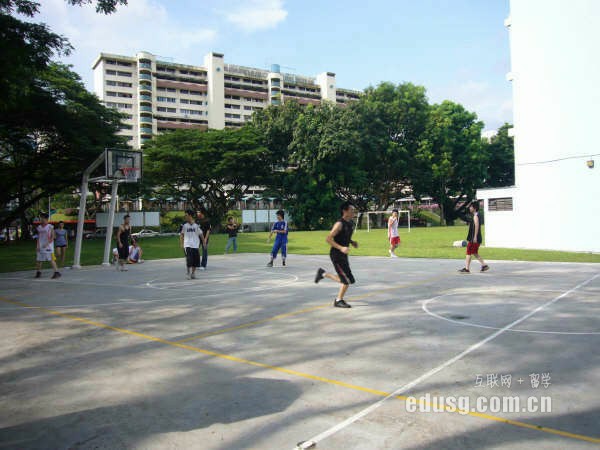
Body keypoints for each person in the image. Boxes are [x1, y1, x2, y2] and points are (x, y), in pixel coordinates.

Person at [314, 202, 358, 308]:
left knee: (349, 280)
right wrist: (341, 248)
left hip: (343, 255)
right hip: (336, 255)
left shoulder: (350, 223)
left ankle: (323, 274)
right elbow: (328, 239)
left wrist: (351, 242)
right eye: (352, 210)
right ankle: (338, 300)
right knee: (346, 280)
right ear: (345, 211)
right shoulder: (339, 224)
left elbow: (344, 236)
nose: (353, 212)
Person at [459, 201, 490, 273]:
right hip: (475, 238)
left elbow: (476, 226)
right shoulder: (476, 215)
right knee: (474, 252)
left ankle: (467, 269)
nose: (469, 208)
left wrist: (475, 237)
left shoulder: (475, 216)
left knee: (469, 251)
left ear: (474, 208)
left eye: (471, 207)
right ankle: (484, 265)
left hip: (474, 238)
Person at [35, 213, 61, 279]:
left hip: (48, 246)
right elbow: (38, 237)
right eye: (40, 218)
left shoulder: (50, 227)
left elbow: (53, 236)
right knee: (39, 260)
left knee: (51, 259)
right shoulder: (39, 227)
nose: (41, 219)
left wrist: (47, 243)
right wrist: (38, 245)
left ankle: (56, 272)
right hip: (41, 246)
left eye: (42, 218)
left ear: (46, 219)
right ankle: (38, 272)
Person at [181, 209, 203, 279]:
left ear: (190, 216)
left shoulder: (196, 225)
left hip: (195, 245)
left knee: (195, 260)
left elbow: (201, 234)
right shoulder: (184, 225)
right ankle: (188, 273)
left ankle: (193, 273)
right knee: (189, 259)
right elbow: (181, 234)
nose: (185, 217)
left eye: (186, 215)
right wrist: (181, 243)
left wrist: (204, 242)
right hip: (187, 245)